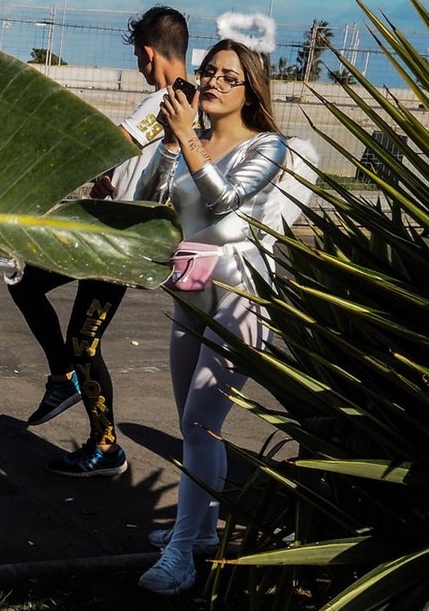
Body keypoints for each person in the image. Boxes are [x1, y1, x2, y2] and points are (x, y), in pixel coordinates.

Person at [10, 5, 191, 477]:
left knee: (80, 337)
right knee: (34, 291)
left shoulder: (171, 100)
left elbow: (109, 142)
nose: (138, 65)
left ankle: (101, 439)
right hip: (114, 233)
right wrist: (111, 177)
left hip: (122, 243)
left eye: (137, 55)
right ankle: (68, 387)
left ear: (149, 53)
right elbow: (127, 155)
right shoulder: (181, 104)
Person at [135, 39, 289, 595]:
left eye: (229, 76)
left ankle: (181, 556)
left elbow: (227, 203)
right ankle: (199, 532)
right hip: (191, 285)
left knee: (200, 423)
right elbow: (151, 202)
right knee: (194, 427)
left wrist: (188, 146)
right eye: (209, 72)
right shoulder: (187, 140)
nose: (214, 82)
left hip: (240, 296)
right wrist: (171, 149)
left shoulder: (268, 146)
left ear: (250, 89)